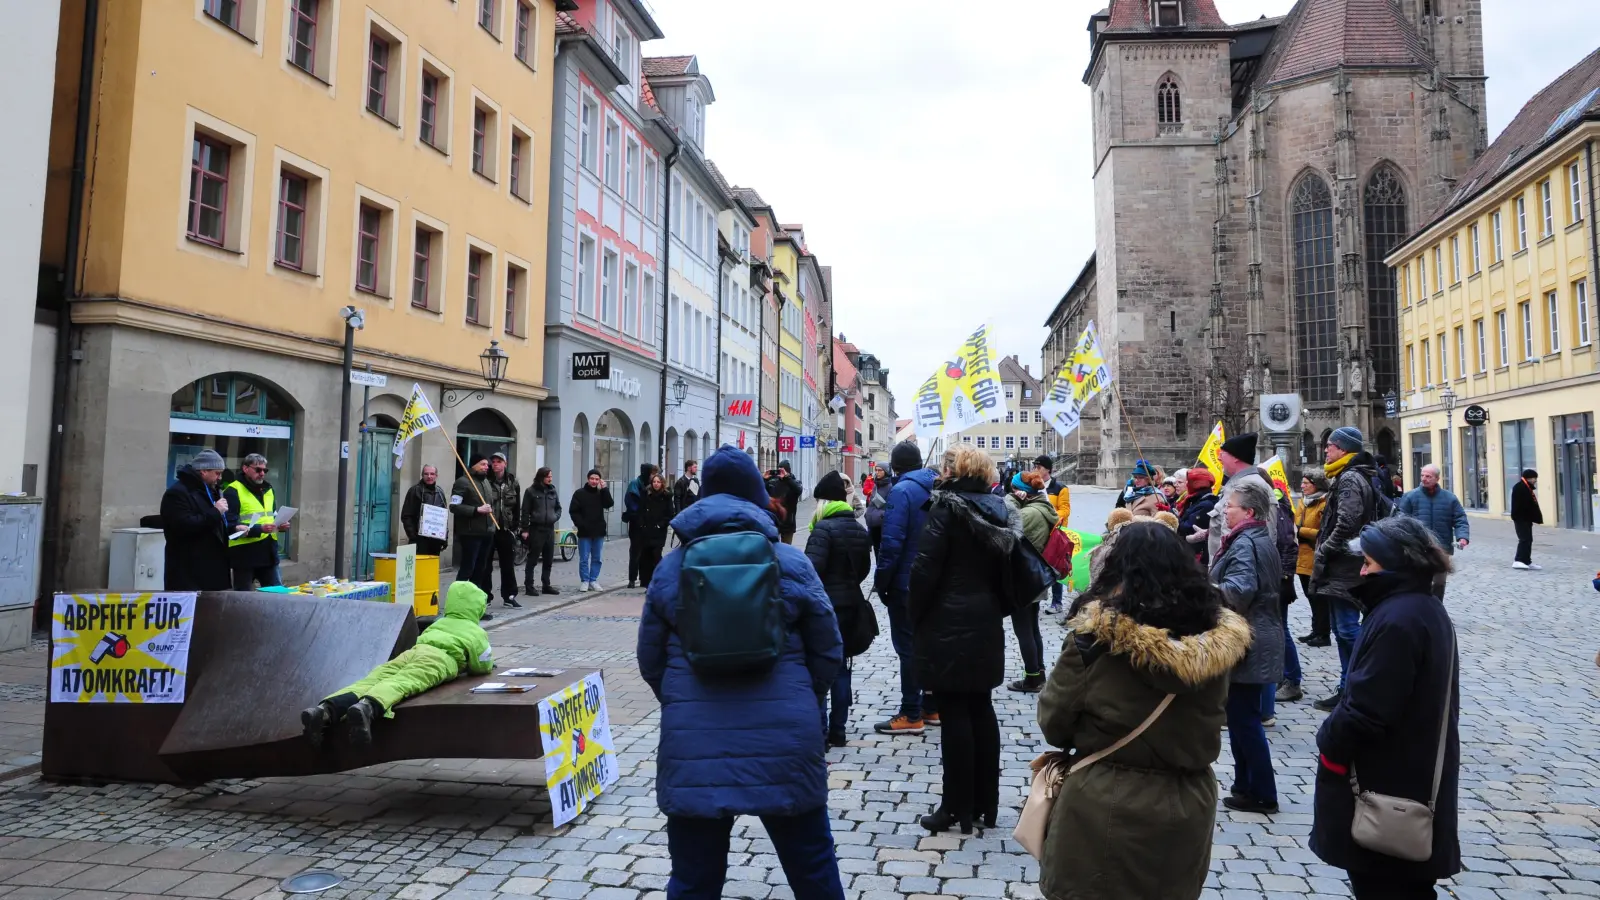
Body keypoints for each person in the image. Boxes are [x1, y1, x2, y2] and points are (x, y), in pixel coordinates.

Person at [637, 446, 846, 900]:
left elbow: (649, 660)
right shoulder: (790, 562)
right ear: (758, 495)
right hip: (786, 741)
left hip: (695, 746)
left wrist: (680, 698)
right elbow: (829, 649)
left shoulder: (671, 568)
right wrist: (804, 700)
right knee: (813, 869)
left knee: (693, 880)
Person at [1040, 522, 1251, 900]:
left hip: (1102, 803)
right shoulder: (1216, 645)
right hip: (1188, 802)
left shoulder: (1093, 642)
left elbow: (1054, 723)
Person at [1310, 516, 1460, 899]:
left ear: (1395, 565)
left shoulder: (1400, 618)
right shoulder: (1416, 607)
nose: (1362, 572)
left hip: (1389, 786)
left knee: (1387, 886)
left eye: (1369, 564)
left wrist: (1329, 743)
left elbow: (1367, 710)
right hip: (1404, 775)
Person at [908, 446, 1011, 834]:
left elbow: (924, 569)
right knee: (981, 708)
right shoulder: (998, 509)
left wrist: (914, 613)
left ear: (954, 471)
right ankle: (987, 803)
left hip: (947, 619)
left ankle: (955, 806)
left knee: (954, 713)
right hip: (984, 618)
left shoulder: (946, 509)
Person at [301, 581, 492, 749]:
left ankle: (326, 709)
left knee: (374, 678)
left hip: (413, 652)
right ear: (477, 609)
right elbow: (482, 666)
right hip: (440, 659)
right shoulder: (475, 632)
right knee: (404, 681)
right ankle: (368, 706)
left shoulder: (438, 623)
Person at [1211, 478, 1283, 814]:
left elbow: (1239, 591)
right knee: (1240, 716)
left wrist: (1204, 591)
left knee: (1245, 719)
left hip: (1250, 636)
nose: (1226, 511)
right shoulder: (1251, 538)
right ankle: (1245, 785)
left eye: (1231, 506)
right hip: (1256, 632)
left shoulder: (1245, 544)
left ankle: (1262, 792)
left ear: (1249, 511)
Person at [1312, 426, 1383, 712]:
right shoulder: (1350, 475)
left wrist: (1325, 549)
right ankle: (1348, 687)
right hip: (1348, 564)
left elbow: (1348, 522)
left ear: (1342, 449)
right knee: (1344, 630)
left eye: (1329, 445)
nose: (1325, 450)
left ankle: (1358, 686)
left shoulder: (1351, 478)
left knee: (1346, 630)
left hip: (1346, 566)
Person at [873, 441, 940, 734]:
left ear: (895, 466)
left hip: (906, 581)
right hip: (933, 579)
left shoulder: (901, 491)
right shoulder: (937, 487)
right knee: (928, 643)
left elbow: (891, 544)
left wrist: (881, 582)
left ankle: (911, 713)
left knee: (908, 648)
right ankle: (932, 706)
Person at [805, 470, 874, 748]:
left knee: (820, 669)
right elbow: (865, 569)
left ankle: (820, 732)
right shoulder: (858, 529)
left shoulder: (823, 529)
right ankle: (839, 730)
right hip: (851, 605)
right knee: (843, 669)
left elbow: (810, 570)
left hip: (825, 607)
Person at [1003, 471, 1057, 693]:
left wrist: (1009, 501)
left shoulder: (1029, 513)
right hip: (1035, 576)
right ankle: (1038, 672)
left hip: (1024, 578)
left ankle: (1033, 677)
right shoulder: (1042, 507)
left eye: (1013, 489)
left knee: (1024, 629)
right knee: (1032, 628)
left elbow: (1008, 535)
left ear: (1021, 492)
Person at [160, 449, 233, 591]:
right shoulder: (177, 493)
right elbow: (183, 526)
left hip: (213, 568)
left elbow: (215, 525)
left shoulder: (211, 490)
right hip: (189, 571)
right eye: (217, 473)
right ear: (204, 471)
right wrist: (216, 511)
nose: (219, 478)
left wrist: (234, 528)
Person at [1398, 463, 1470, 597]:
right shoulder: (1410, 497)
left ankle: (1436, 609)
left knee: (1439, 582)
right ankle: (1421, 608)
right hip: (1418, 547)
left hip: (1442, 548)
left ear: (1437, 479)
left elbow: (1460, 519)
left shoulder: (1450, 498)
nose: (1424, 479)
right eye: (1422, 475)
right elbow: (1401, 520)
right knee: (1419, 582)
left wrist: (1463, 537)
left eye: (1428, 476)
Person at [223, 452, 288, 590]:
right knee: (243, 599)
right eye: (258, 470)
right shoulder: (233, 490)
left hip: (269, 552)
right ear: (246, 469)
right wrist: (259, 529)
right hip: (245, 555)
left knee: (276, 595)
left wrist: (280, 525)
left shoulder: (268, 489)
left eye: (265, 470)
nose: (262, 473)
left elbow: (271, 515)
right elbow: (229, 525)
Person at [449, 455, 498, 603]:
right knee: (467, 569)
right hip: (470, 533)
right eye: (483, 464)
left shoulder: (486, 483)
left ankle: (474, 604)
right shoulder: (463, 482)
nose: (486, 467)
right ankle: (458, 601)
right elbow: (454, 506)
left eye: (487, 465)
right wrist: (477, 510)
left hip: (486, 532)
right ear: (474, 465)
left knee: (480, 570)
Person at [1295, 471, 1332, 647]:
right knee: (1311, 597)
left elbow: (1325, 532)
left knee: (1319, 598)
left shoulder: (1325, 503)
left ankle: (1323, 634)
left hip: (1315, 556)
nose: (1302, 486)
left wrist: (1300, 531)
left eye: (1306, 483)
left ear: (1316, 485)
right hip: (1302, 558)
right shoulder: (1303, 502)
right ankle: (1316, 630)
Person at [1035, 455, 1071, 612]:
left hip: (1055, 531)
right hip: (1038, 531)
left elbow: (1065, 509)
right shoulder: (1033, 486)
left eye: (1039, 467)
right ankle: (1036, 599)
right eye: (1035, 467)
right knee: (1037, 565)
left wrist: (1053, 518)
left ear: (1047, 469)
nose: (1036, 470)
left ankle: (1057, 602)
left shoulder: (1060, 488)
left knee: (1056, 566)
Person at [486, 453, 522, 609]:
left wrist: (515, 527)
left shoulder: (513, 482)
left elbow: (517, 507)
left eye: (499, 462)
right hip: (489, 528)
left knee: (507, 564)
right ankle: (485, 596)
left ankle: (509, 595)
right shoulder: (486, 481)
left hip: (506, 528)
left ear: (505, 463)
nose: (495, 464)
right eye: (493, 462)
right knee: (485, 564)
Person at [569, 469, 614, 592]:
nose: (594, 481)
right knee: (584, 558)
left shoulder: (601, 493)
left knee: (597, 558)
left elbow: (609, 504)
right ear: (588, 479)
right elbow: (573, 511)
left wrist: (605, 489)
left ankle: (593, 580)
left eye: (597, 479)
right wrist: (581, 525)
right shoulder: (579, 494)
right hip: (584, 532)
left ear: (599, 480)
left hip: (598, 530)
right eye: (592, 479)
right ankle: (585, 580)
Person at [519, 467, 562, 596]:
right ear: (541, 477)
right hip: (536, 529)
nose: (550, 478)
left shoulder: (552, 491)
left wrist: (555, 517)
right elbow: (525, 511)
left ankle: (546, 585)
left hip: (549, 528)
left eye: (551, 476)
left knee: (548, 559)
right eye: (548, 476)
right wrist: (525, 529)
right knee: (533, 559)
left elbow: (558, 508)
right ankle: (529, 586)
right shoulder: (531, 492)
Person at [401, 465, 449, 558]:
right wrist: (413, 536)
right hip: (420, 539)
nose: (429, 476)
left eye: (432, 474)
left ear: (436, 476)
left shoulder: (440, 492)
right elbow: (406, 515)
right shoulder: (414, 491)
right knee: (420, 567)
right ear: (422, 475)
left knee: (432, 568)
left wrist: (445, 537)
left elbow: (444, 517)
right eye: (426, 474)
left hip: (436, 539)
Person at [636, 473, 674, 586]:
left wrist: (661, 525)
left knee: (656, 555)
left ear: (662, 483)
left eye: (658, 482)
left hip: (659, 532)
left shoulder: (666, 496)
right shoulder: (646, 494)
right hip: (647, 531)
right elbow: (640, 510)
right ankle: (647, 582)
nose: (656, 484)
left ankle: (659, 579)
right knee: (646, 556)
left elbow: (670, 514)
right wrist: (642, 524)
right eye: (654, 482)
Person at [623, 463, 658, 587]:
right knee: (635, 552)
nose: (654, 476)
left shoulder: (651, 485)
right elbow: (630, 502)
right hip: (636, 524)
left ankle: (644, 579)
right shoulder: (635, 484)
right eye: (652, 473)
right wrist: (640, 513)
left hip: (648, 524)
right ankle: (632, 579)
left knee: (647, 553)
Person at [1176, 467, 1218, 567]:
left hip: (1195, 555)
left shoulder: (1206, 504)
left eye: (1188, 482)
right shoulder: (1194, 501)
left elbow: (1187, 527)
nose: (1186, 485)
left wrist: (1173, 518)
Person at [1510, 468, 1543, 570]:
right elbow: (1520, 505)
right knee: (1524, 539)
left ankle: (1526, 561)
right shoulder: (1520, 487)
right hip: (1521, 518)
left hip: (1526, 519)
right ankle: (1518, 560)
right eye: (1534, 478)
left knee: (1528, 539)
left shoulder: (1526, 487)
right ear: (1529, 478)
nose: (1535, 480)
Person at [765, 461, 804, 544]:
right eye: (778, 470)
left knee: (787, 548)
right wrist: (764, 479)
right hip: (773, 522)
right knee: (773, 547)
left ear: (788, 471)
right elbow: (762, 493)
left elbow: (798, 490)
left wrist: (786, 478)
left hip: (788, 523)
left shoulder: (795, 482)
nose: (780, 473)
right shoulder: (773, 482)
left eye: (782, 471)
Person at [865, 463, 892, 551]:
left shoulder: (890, 486)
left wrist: (881, 516)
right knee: (876, 550)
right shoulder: (875, 486)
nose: (877, 472)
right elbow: (872, 503)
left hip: (882, 525)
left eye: (880, 470)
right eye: (876, 470)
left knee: (882, 550)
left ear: (886, 471)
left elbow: (891, 506)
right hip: (872, 525)